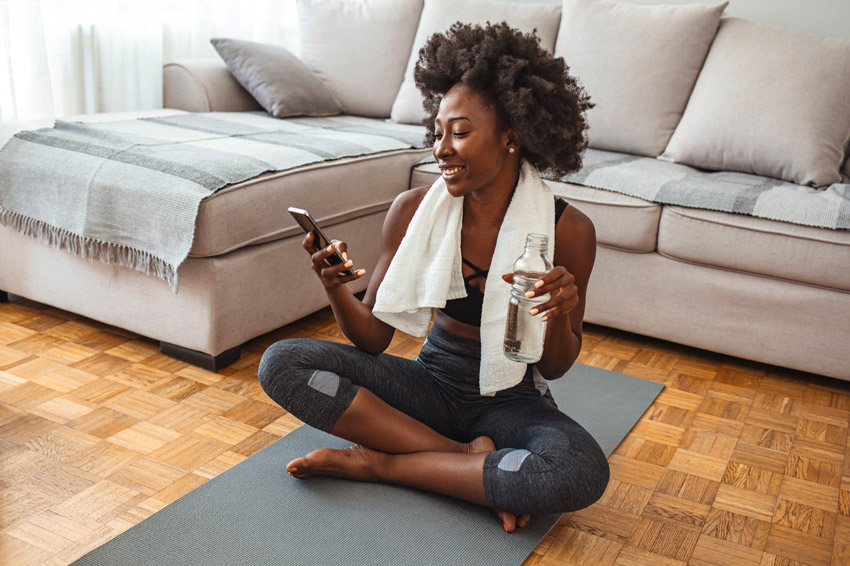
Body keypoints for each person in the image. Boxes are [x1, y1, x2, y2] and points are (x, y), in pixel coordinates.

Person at [259, 21, 609, 532]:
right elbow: (374, 339)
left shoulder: (569, 230)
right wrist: (335, 286)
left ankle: (383, 464)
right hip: (431, 382)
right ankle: (462, 460)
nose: (441, 148)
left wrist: (557, 315)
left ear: (512, 137)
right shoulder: (411, 211)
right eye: (438, 132)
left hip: (513, 398)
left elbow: (554, 368)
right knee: (281, 364)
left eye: (460, 132)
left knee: (579, 472)